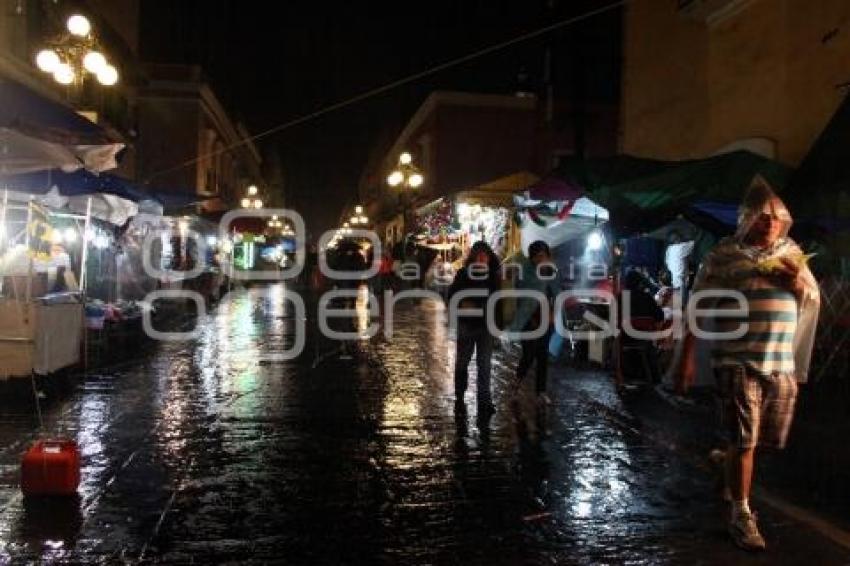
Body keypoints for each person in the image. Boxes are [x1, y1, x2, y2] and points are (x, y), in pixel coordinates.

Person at [679, 176, 820, 551]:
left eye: (776, 217)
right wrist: (687, 358)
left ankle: (722, 460)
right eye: (762, 216)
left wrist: (794, 284)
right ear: (746, 218)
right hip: (737, 360)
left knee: (765, 441)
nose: (769, 223)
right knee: (747, 440)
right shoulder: (724, 255)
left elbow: (812, 299)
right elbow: (699, 305)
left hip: (781, 363)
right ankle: (741, 514)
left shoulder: (792, 254)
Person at [448, 241, 501, 415]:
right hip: (467, 325)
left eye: (484, 255)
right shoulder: (463, 274)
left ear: (489, 258)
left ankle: (484, 402)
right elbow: (452, 295)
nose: (481, 258)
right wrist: (462, 303)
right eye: (478, 255)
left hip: (486, 326)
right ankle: (460, 394)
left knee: (484, 365)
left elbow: (498, 301)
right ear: (472, 257)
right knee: (462, 362)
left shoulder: (493, 276)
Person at [506, 240, 560, 405]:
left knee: (543, 356)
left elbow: (556, 293)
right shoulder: (525, 273)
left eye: (542, 255)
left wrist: (553, 313)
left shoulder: (552, 272)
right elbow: (521, 297)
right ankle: (516, 383)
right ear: (531, 257)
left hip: (546, 319)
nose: (539, 259)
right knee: (528, 355)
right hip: (528, 319)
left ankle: (540, 392)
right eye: (536, 256)